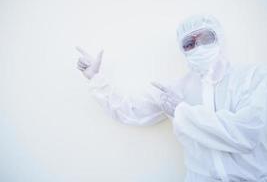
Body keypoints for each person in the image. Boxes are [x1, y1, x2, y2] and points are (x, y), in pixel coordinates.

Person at [76, 15, 267, 182]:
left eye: (206, 37)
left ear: (219, 38)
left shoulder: (253, 78)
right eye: (189, 43)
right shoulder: (175, 91)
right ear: (183, 50)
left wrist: (182, 112)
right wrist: (96, 79)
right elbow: (131, 111)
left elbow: (247, 133)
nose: (198, 47)